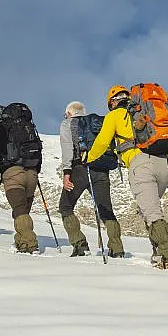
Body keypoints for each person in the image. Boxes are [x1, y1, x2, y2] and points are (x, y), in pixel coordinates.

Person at [84, 85, 168, 269]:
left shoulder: (115, 116)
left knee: (152, 213)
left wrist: (88, 158)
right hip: (164, 163)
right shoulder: (143, 112)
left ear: (112, 102)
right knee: (148, 210)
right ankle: (159, 254)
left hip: (140, 164)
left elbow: (102, 142)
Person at [58, 101, 124, 258]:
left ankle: (80, 244)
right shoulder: (95, 124)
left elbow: (67, 147)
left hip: (79, 169)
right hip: (101, 169)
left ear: (69, 113)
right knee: (106, 209)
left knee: (66, 206)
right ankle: (117, 248)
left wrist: (67, 172)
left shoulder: (68, 124)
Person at [0, 103, 44, 254]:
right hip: (31, 174)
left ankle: (31, 245)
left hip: (13, 175)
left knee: (19, 210)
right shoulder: (26, 128)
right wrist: (35, 171)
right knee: (22, 211)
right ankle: (21, 243)